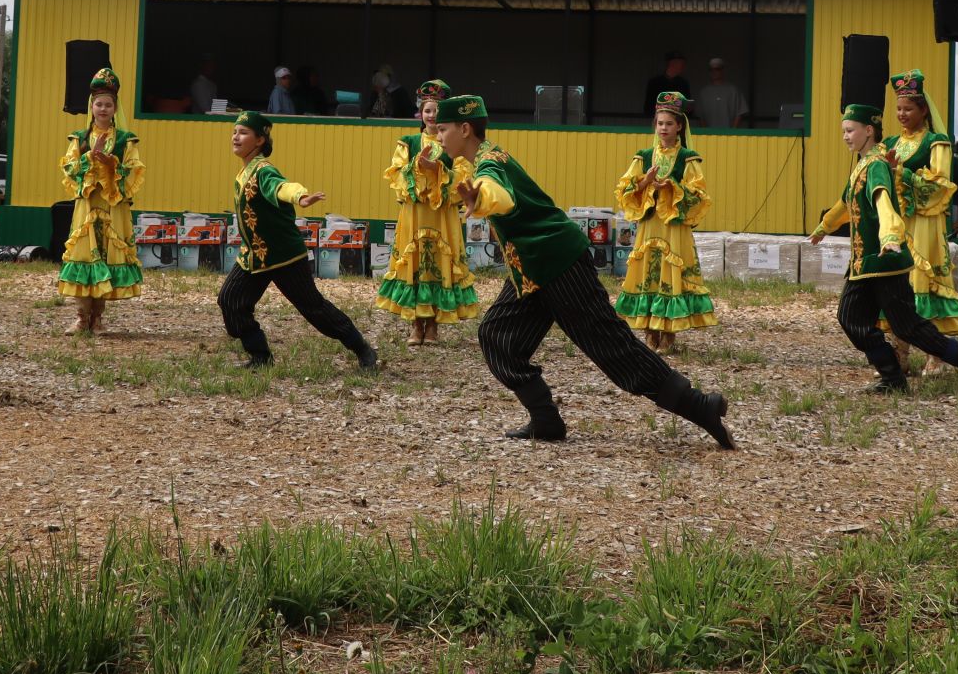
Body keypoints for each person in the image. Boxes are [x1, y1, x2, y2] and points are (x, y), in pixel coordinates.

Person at [437, 94, 733, 447]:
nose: (438, 136)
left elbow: (499, 192)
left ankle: (702, 407)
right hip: (533, 269)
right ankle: (546, 420)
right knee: (497, 336)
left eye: (443, 129)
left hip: (558, 262)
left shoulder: (489, 162)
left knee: (612, 349)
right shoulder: (477, 162)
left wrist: (480, 199)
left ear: (465, 129)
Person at [811, 103, 958, 393]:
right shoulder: (863, 164)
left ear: (869, 131)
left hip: (885, 262)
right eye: (844, 132)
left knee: (906, 327)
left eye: (850, 131)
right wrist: (824, 226)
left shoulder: (876, 166)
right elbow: (845, 203)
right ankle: (894, 375)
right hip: (867, 265)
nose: (846, 137)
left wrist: (889, 237)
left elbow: (883, 203)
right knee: (862, 320)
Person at [217, 111, 377, 370]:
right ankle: (260, 357)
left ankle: (362, 348)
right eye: (235, 131)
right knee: (230, 299)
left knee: (313, 308)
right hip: (256, 255)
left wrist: (300, 196)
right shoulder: (243, 173)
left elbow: (281, 187)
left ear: (259, 141)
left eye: (243, 132)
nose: (236, 136)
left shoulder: (263, 171)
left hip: (283, 255)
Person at [375, 80, 479, 347]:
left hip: (442, 215)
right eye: (427, 110)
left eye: (436, 111)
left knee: (438, 264)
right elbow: (395, 174)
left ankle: (432, 325)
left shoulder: (452, 144)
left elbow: (464, 178)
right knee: (415, 263)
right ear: (420, 113)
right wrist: (416, 167)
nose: (432, 116)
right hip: (415, 213)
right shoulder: (408, 142)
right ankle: (415, 324)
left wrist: (437, 170)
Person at [613, 91, 716, 353]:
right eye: (660, 123)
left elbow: (699, 194)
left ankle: (668, 333)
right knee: (649, 272)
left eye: (669, 124)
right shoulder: (644, 156)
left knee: (670, 273)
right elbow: (624, 189)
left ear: (679, 126)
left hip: (673, 226)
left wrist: (671, 186)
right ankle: (649, 331)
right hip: (650, 224)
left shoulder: (687, 158)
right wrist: (646, 181)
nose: (663, 128)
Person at [879, 70, 958, 372]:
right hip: (898, 223)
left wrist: (902, 173)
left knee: (923, 281)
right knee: (898, 284)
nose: (902, 114)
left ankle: (935, 354)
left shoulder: (935, 142)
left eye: (908, 109)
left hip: (924, 223)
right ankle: (900, 353)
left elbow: (940, 184)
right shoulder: (890, 142)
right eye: (899, 109)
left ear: (923, 110)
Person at [58, 67, 145, 335]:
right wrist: (88, 159)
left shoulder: (124, 140)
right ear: (91, 106)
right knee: (83, 255)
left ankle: (97, 319)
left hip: (112, 206)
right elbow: (69, 168)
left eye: (108, 104)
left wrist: (112, 164)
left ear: (115, 107)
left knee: (106, 256)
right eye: (99, 104)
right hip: (87, 205)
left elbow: (135, 169)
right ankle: (81, 317)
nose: (103, 109)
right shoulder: (80, 138)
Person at [696, 58, 748, 130]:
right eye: (711, 69)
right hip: (709, 136)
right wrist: (705, 133)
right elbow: (700, 116)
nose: (714, 72)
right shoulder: (703, 92)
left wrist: (733, 131)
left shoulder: (733, 90)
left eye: (717, 69)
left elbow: (740, 113)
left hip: (729, 135)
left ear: (722, 70)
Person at [643, 52, 694, 120]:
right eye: (681, 64)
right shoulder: (655, 82)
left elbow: (687, 107)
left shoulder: (683, 83)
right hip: (659, 121)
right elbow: (648, 107)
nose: (683, 67)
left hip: (677, 122)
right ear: (672, 63)